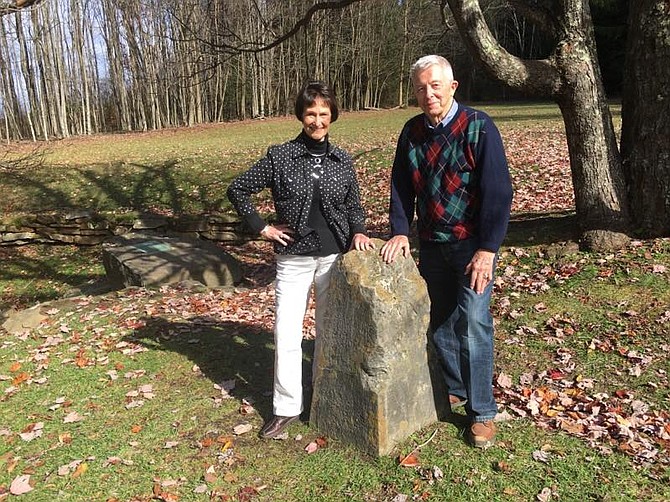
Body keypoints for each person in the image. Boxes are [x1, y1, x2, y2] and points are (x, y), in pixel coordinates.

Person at [227, 80, 375, 439]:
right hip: (293, 258)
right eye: (311, 113)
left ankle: (324, 397)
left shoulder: (342, 160)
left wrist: (358, 231)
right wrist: (262, 228)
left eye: (324, 113)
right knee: (287, 332)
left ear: (332, 116)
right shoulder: (280, 157)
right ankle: (286, 407)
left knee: (327, 331)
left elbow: (354, 205)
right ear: (301, 116)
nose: (317, 120)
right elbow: (238, 189)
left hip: (333, 260)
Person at [380, 55, 513, 448]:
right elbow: (400, 186)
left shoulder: (478, 127)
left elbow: (498, 193)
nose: (428, 93)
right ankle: (456, 386)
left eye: (435, 85)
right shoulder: (412, 132)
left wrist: (488, 250)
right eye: (421, 87)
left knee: (473, 322)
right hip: (433, 246)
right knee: (439, 323)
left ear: (452, 87)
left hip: (473, 247)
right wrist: (401, 231)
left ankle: (482, 411)